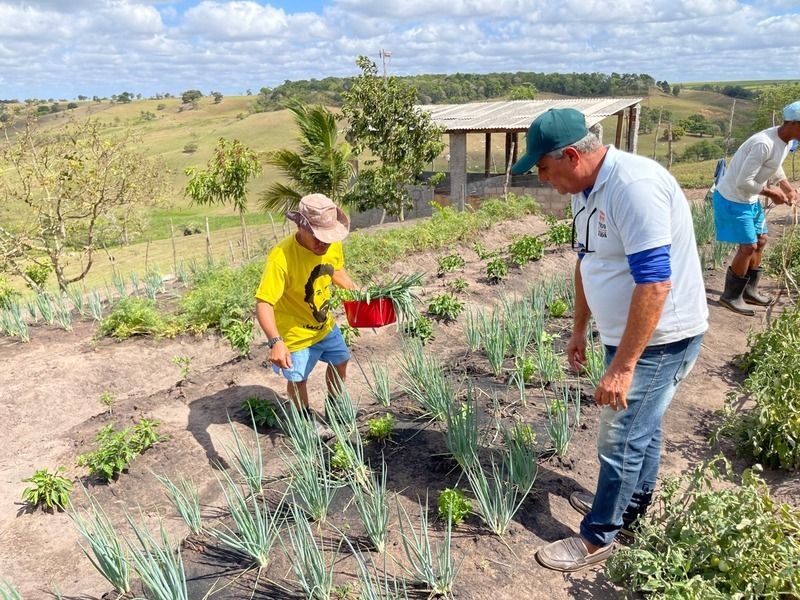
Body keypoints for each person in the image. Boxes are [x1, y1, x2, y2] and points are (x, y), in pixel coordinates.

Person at [510, 108, 709, 572]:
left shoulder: (632, 188)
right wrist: (580, 327)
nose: (542, 178)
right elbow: (588, 263)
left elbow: (655, 283)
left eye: (542, 167)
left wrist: (622, 367)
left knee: (619, 439)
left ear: (573, 155)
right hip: (623, 337)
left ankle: (599, 537)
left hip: (660, 341)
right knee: (644, 428)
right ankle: (631, 511)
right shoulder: (585, 189)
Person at [255, 193, 356, 427]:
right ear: (301, 226)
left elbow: (336, 271)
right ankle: (304, 419)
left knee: (340, 360)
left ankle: (335, 405)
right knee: (299, 379)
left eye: (328, 238)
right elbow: (264, 303)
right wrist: (276, 341)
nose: (324, 243)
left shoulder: (331, 244)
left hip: (324, 324)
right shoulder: (281, 257)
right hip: (295, 333)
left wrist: (360, 295)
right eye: (318, 237)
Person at [712, 101, 800, 315]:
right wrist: (771, 193)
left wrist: (786, 186)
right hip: (733, 199)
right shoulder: (764, 143)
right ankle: (730, 296)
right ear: (795, 124)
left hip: (750, 199)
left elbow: (774, 165)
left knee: (760, 241)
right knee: (748, 247)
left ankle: (749, 290)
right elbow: (743, 181)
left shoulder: (785, 141)